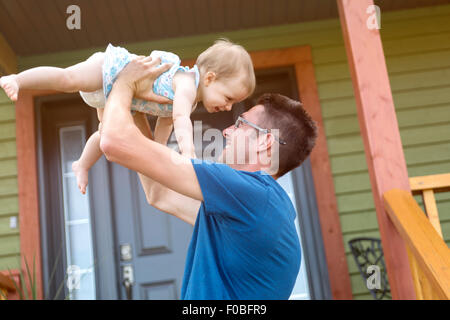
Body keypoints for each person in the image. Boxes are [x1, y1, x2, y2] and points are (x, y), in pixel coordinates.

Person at [100, 56, 318, 300]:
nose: (226, 131)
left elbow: (113, 142)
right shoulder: (257, 209)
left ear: (266, 142)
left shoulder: (249, 192)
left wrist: (123, 83)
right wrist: (134, 107)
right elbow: (160, 194)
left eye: (240, 124)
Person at [0, 39, 255, 194]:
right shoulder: (187, 83)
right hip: (109, 71)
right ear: (210, 78)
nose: (228, 106)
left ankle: (82, 164)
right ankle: (18, 79)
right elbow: (179, 119)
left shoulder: (190, 98)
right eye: (228, 97)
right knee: (68, 78)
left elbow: (166, 122)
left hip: (115, 97)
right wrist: (188, 154)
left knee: (105, 134)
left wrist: (158, 149)